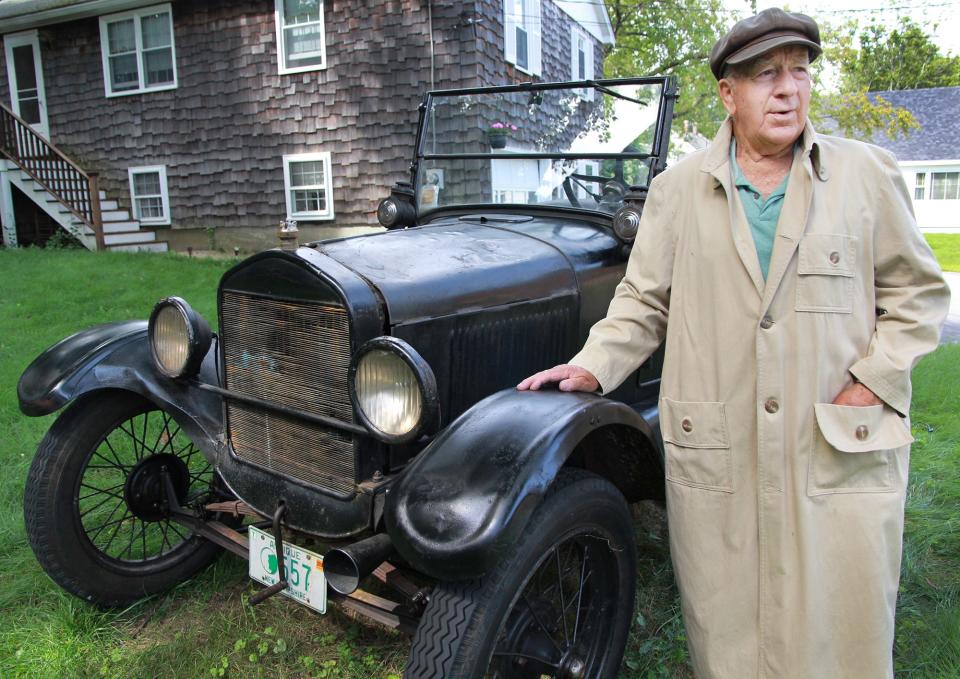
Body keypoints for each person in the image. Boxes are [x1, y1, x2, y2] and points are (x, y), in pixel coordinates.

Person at [517, 8, 950, 679]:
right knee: (732, 642)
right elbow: (642, 301)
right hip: (724, 455)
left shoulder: (868, 177)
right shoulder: (677, 192)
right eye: (768, 75)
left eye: (801, 72)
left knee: (844, 638)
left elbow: (918, 297)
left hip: (834, 451)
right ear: (728, 93)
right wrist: (590, 366)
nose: (789, 90)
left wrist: (876, 376)